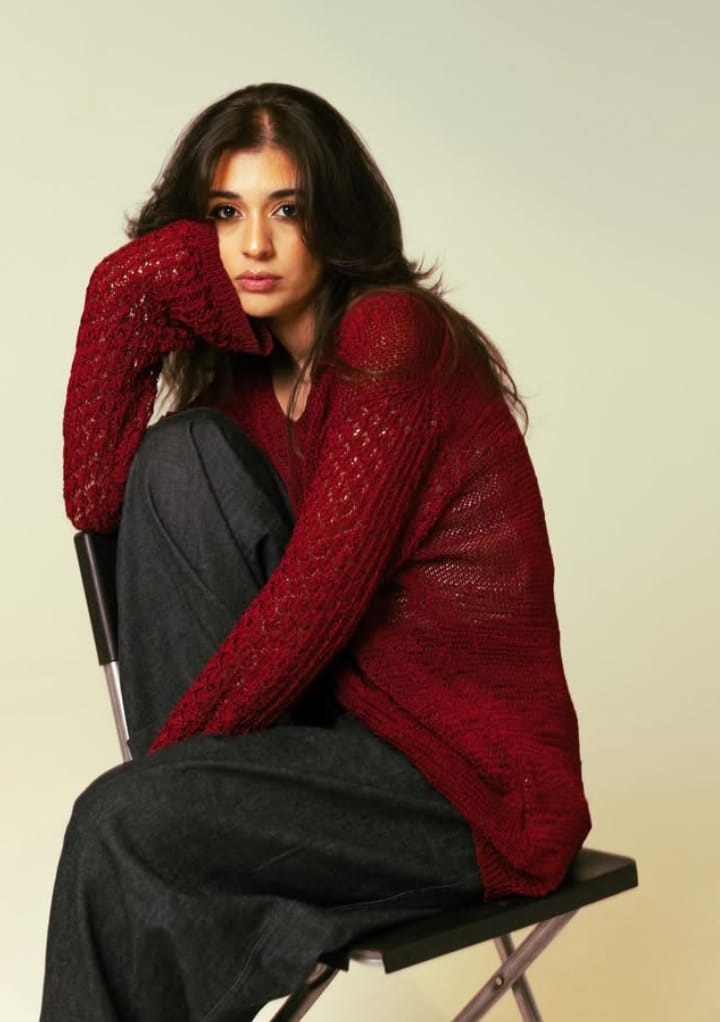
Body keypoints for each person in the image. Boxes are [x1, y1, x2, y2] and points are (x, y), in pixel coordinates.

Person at [41, 83, 591, 1022]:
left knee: (123, 822)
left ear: (334, 219)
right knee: (175, 457)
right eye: (226, 214)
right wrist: (121, 291)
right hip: (332, 745)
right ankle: (167, 847)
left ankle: (164, 844)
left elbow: (311, 607)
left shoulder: (390, 340)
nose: (254, 244)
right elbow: (97, 505)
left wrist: (163, 790)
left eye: (286, 210)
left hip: (465, 788)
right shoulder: (245, 385)